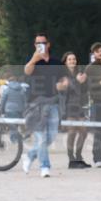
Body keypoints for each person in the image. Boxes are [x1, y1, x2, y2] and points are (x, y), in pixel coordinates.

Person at [22, 33, 67, 178]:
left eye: (43, 42)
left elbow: (64, 78)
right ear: (34, 45)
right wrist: (34, 59)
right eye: (37, 43)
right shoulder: (33, 61)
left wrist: (64, 84)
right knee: (41, 138)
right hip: (36, 103)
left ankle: (30, 155)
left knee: (51, 137)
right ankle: (45, 166)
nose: (40, 45)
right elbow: (27, 71)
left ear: (48, 44)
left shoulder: (56, 62)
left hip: (53, 102)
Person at [60, 52, 90, 169]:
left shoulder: (79, 74)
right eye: (70, 59)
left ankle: (78, 157)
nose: (72, 61)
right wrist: (77, 81)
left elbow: (83, 92)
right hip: (68, 107)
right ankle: (71, 160)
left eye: (74, 59)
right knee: (72, 132)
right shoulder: (62, 75)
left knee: (84, 131)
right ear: (65, 62)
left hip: (79, 107)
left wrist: (84, 83)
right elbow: (64, 91)